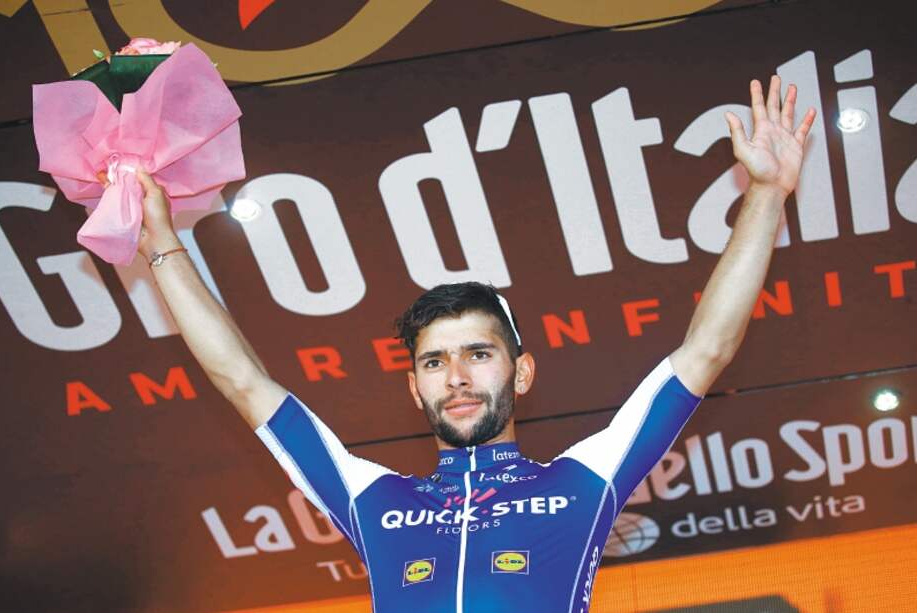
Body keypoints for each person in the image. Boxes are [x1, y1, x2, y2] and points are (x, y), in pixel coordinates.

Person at [135, 76, 815, 612]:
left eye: (479, 354)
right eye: (434, 361)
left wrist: (764, 193)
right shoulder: (370, 499)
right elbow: (244, 382)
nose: (456, 375)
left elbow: (705, 351)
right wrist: (162, 243)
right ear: (414, 387)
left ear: (522, 373)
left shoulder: (583, 482)